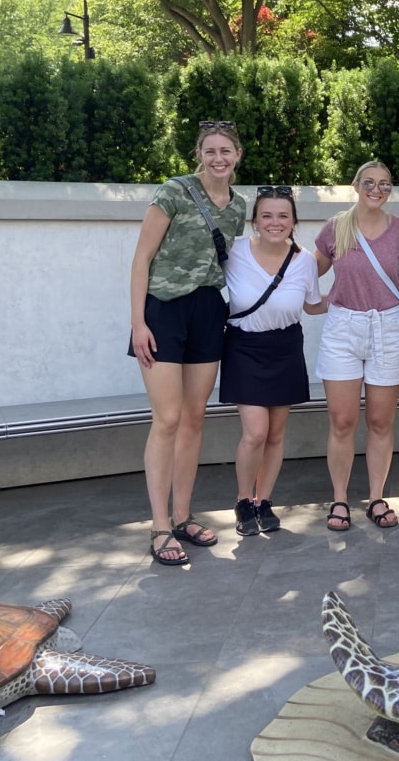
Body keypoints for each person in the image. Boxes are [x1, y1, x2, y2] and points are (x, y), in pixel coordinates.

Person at [128, 120, 247, 566]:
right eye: (210, 151)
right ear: (200, 154)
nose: (218, 158)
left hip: (207, 312)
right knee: (169, 418)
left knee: (195, 417)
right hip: (162, 311)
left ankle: (181, 515)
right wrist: (138, 322)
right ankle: (160, 528)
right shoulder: (173, 192)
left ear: (237, 155)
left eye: (226, 151)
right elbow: (142, 257)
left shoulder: (238, 206)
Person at [314, 162, 399, 532]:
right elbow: (309, 272)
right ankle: (339, 498)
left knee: (380, 421)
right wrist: (313, 302)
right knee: (342, 421)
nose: (377, 189)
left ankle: (376, 497)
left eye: (385, 184)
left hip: (387, 327)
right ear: (356, 185)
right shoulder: (336, 227)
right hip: (344, 329)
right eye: (370, 183)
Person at [221, 186, 323, 537]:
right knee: (256, 433)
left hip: (285, 347)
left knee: (276, 433)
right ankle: (243, 501)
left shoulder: (305, 261)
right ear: (254, 221)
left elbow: (311, 305)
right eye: (266, 215)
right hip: (243, 347)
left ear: (294, 221)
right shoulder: (233, 253)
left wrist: (353, 292)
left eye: (283, 216)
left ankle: (264, 501)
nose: (275, 222)